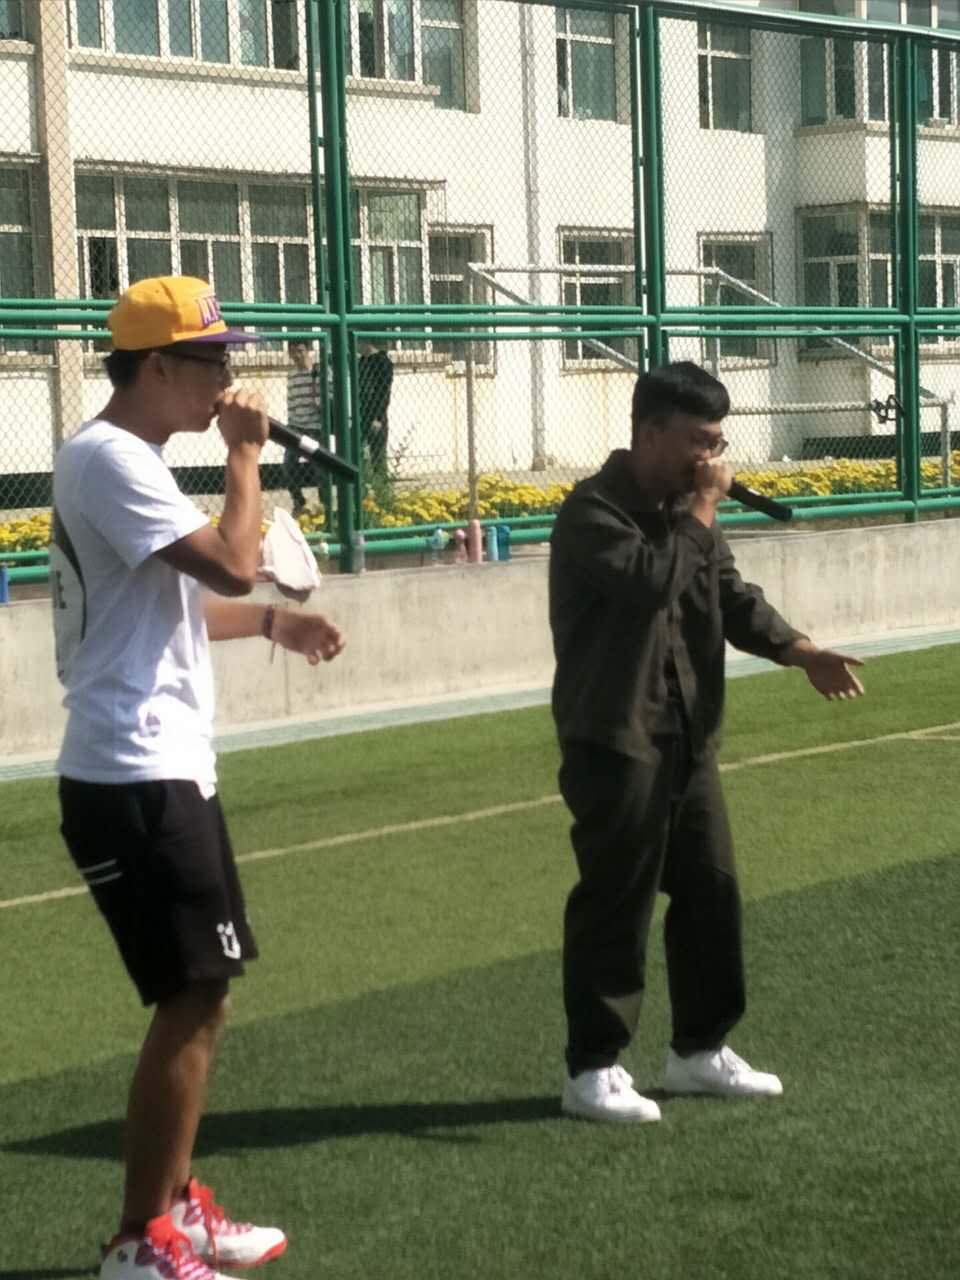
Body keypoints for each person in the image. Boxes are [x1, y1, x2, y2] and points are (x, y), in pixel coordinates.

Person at [50, 276, 346, 1279]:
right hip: (133, 771)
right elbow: (228, 558)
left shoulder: (124, 461)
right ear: (156, 366)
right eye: (211, 359)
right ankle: (143, 1239)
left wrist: (271, 621)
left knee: (205, 993)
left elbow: (174, 602)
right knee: (192, 995)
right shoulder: (108, 458)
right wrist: (246, 457)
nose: (227, 378)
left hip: (162, 764)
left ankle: (175, 1210)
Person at [549, 361, 864, 1125]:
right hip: (616, 738)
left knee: (711, 890)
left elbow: (728, 594)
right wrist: (701, 509)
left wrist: (801, 651)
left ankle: (699, 1051)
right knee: (616, 901)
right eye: (700, 439)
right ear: (650, 432)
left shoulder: (687, 513)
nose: (712, 456)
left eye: (718, 441)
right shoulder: (592, 511)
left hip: (687, 735)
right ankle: (593, 1067)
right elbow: (650, 582)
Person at [284, 339, 322, 517]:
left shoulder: (317, 373)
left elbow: (324, 399)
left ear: (308, 351)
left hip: (314, 427)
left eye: (300, 351)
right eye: (293, 352)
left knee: (319, 468)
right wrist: (290, 424)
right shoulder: (291, 376)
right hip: (296, 427)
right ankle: (299, 502)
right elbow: (291, 402)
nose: (297, 356)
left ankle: (324, 505)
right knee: (288, 465)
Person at [357, 340, 393, 485]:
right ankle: (364, 489)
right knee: (361, 456)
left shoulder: (382, 361)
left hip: (375, 415)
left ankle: (381, 490)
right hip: (361, 414)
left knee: (378, 455)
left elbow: (383, 392)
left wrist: (377, 417)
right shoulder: (361, 362)